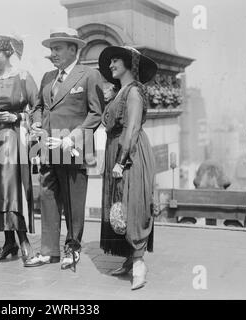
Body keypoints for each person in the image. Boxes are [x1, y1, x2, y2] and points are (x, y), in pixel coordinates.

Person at [24, 28, 104, 270]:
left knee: (73, 201)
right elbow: (37, 106)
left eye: (57, 48)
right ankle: (49, 251)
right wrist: (36, 122)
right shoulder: (48, 77)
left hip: (72, 149)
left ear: (73, 49)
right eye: (51, 49)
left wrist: (75, 137)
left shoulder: (89, 75)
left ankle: (73, 248)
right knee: (47, 199)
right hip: (48, 148)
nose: (53, 53)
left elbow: (96, 113)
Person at [98, 46, 158, 290]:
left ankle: (139, 263)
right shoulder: (119, 91)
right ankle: (127, 259)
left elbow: (132, 128)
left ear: (128, 64)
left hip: (129, 151)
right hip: (116, 148)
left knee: (131, 202)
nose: (111, 65)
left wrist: (121, 161)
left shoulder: (133, 92)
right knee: (118, 203)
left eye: (115, 61)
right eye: (110, 61)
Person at [0, 35, 38, 263]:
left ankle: (23, 242)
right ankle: (8, 242)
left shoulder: (23, 77)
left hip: (12, 141)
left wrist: (17, 116)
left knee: (11, 191)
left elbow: (39, 107)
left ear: (8, 53)